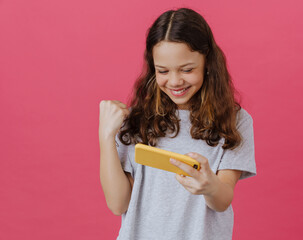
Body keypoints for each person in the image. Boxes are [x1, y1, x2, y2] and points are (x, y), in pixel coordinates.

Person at [99, 7, 256, 240]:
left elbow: (222, 200)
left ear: (208, 63)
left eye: (187, 69)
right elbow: (118, 204)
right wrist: (105, 137)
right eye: (163, 70)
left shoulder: (235, 120)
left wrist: (209, 185)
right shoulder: (135, 121)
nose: (174, 81)